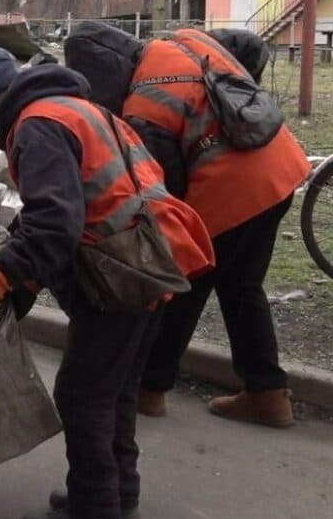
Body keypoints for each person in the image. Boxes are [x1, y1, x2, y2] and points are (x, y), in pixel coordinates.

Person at [0, 48, 214, 519]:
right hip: (156, 257)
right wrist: (22, 277)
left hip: (119, 270)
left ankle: (95, 515)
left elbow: (57, 223)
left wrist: (2, 274)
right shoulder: (83, 109)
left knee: (82, 394)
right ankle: (119, 495)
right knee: (115, 388)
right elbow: (71, 207)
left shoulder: (37, 126)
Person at [64, 24, 311, 427]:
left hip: (233, 191)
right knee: (241, 286)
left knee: (181, 284)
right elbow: (248, 53)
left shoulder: (145, 102)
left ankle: (150, 388)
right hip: (280, 165)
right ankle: (267, 394)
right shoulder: (182, 39)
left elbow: (164, 188)